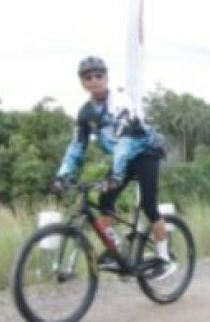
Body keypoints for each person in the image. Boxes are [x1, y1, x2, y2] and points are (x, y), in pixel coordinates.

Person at [51, 56, 174, 279]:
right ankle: (116, 249)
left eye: (98, 76)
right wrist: (62, 176)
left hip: (145, 153)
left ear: (106, 78)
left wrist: (116, 175)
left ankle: (164, 260)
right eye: (88, 77)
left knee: (148, 205)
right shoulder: (85, 113)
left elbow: (124, 141)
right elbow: (77, 146)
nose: (94, 81)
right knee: (105, 203)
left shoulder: (119, 102)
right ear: (82, 82)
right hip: (124, 159)